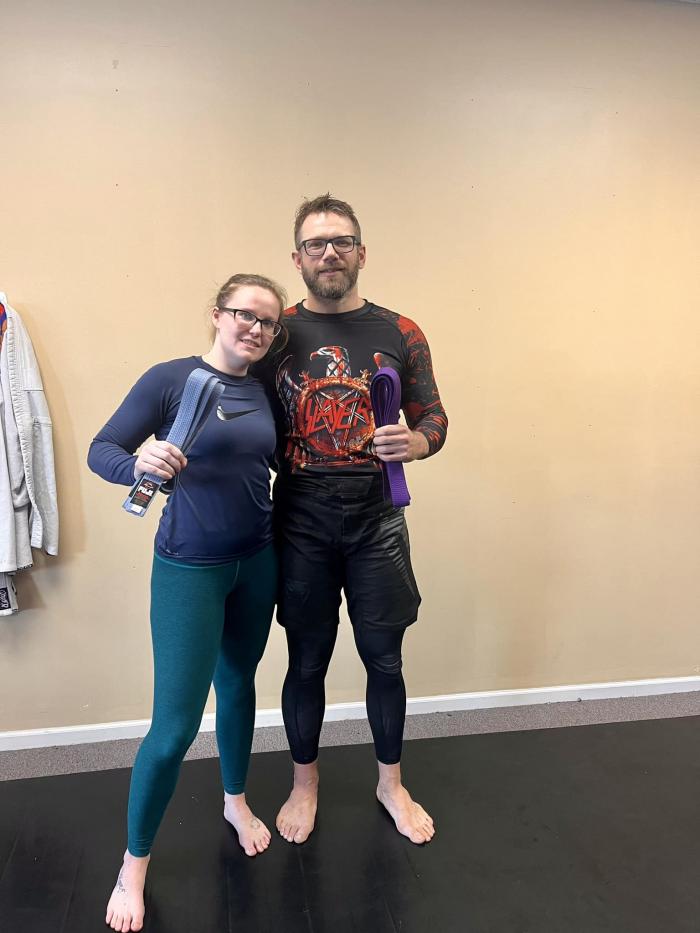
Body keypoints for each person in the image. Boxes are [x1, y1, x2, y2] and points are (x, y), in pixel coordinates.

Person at [87, 273, 287, 933]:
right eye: (244, 314)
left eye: (268, 321)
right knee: (174, 727)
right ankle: (133, 866)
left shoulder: (265, 388)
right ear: (217, 314)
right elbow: (101, 451)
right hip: (189, 569)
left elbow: (275, 464)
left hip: (257, 560)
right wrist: (139, 465)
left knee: (239, 684)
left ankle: (235, 800)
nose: (255, 328)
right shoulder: (171, 379)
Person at [266, 194, 448, 847]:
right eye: (315, 244)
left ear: (361, 252)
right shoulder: (275, 333)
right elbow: (239, 409)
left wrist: (416, 442)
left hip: (378, 519)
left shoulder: (402, 331)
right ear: (297, 258)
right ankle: (304, 783)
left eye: (341, 241)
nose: (329, 253)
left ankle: (390, 783)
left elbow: (435, 417)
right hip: (301, 516)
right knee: (306, 659)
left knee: (385, 659)